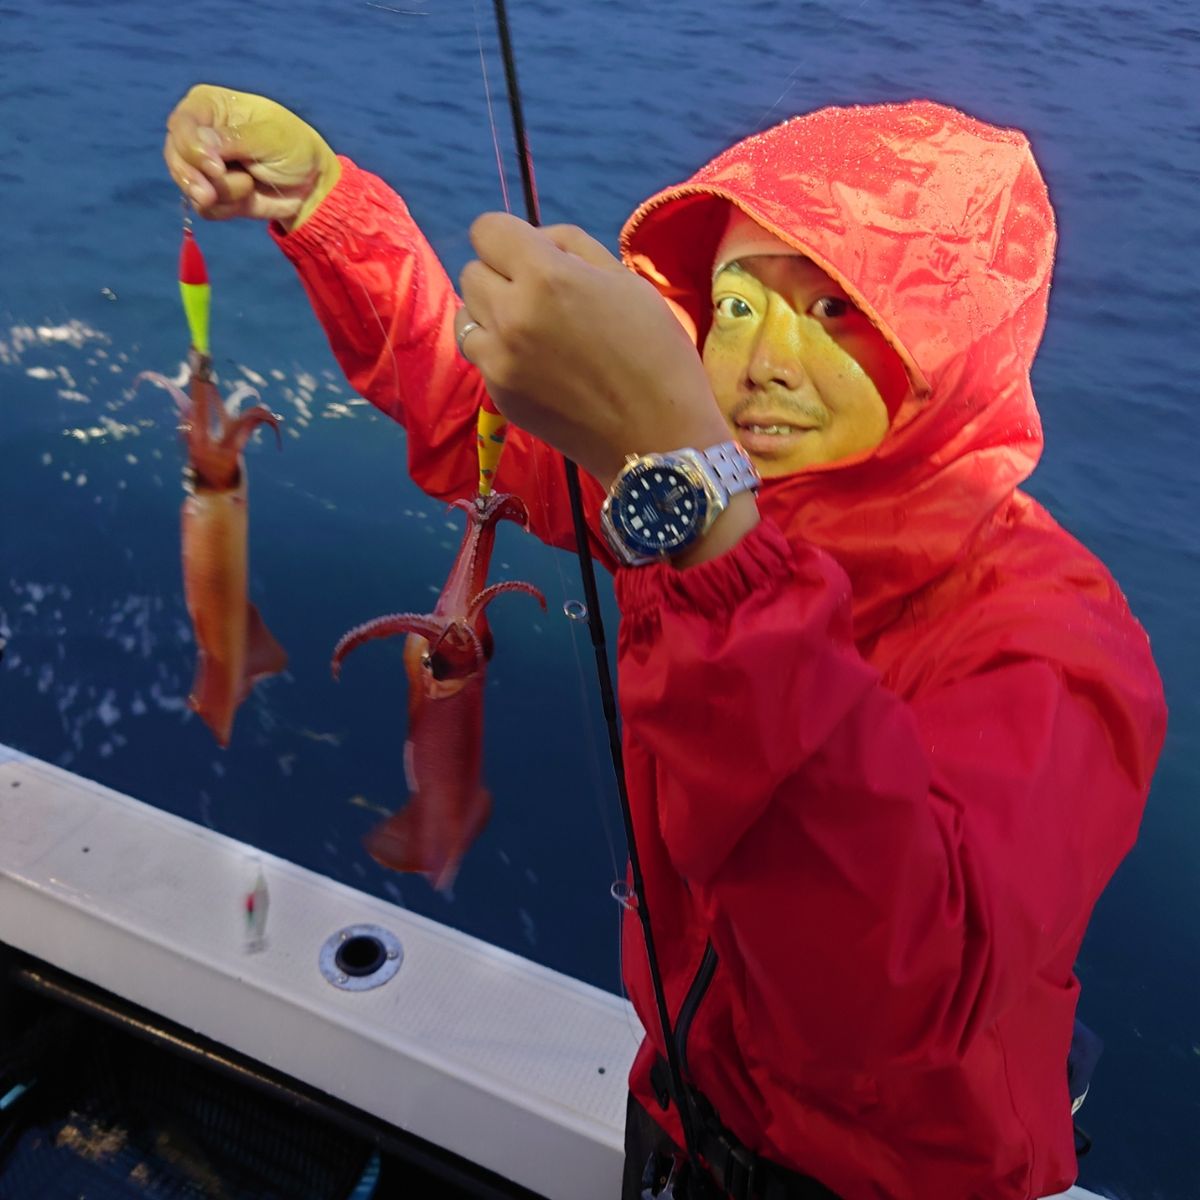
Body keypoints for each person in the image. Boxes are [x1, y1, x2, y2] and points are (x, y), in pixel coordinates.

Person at [164, 86, 1167, 1200]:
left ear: (954, 349)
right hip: (682, 1113)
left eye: (834, 312)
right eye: (736, 307)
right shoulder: (711, 500)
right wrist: (326, 209)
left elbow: (883, 1011)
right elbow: (477, 428)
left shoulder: (1050, 644)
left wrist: (705, 525)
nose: (763, 364)